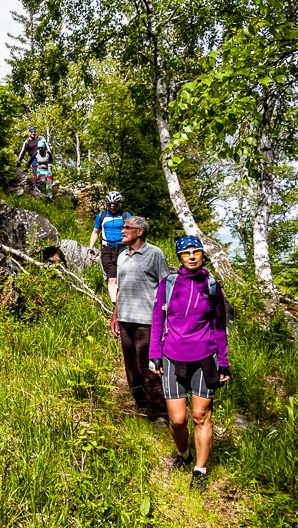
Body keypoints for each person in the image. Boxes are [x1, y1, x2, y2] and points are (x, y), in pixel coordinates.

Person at [149, 235, 229, 492]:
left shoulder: (213, 286)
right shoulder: (168, 284)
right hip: (172, 357)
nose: (192, 256)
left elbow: (219, 326)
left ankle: (201, 470)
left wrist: (224, 362)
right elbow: (157, 322)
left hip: (205, 358)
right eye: (186, 253)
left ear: (203, 255)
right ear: (179, 258)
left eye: (196, 251)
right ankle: (184, 455)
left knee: (200, 416)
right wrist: (155, 354)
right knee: (178, 419)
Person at [109, 216, 170, 418]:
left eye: (127, 227)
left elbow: (165, 289)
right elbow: (120, 289)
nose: (122, 230)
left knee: (150, 367)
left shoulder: (155, 254)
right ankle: (142, 406)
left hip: (147, 322)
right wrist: (115, 315)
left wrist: (166, 320)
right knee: (131, 367)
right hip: (125, 320)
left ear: (140, 231)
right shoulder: (122, 256)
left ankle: (159, 411)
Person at [89, 191, 131, 304]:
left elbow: (134, 231)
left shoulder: (126, 216)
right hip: (107, 249)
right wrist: (91, 248)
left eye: (116, 205)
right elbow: (95, 232)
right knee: (111, 277)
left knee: (122, 276)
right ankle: (114, 304)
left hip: (123, 248)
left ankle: (122, 301)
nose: (113, 208)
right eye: (111, 205)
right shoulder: (101, 216)